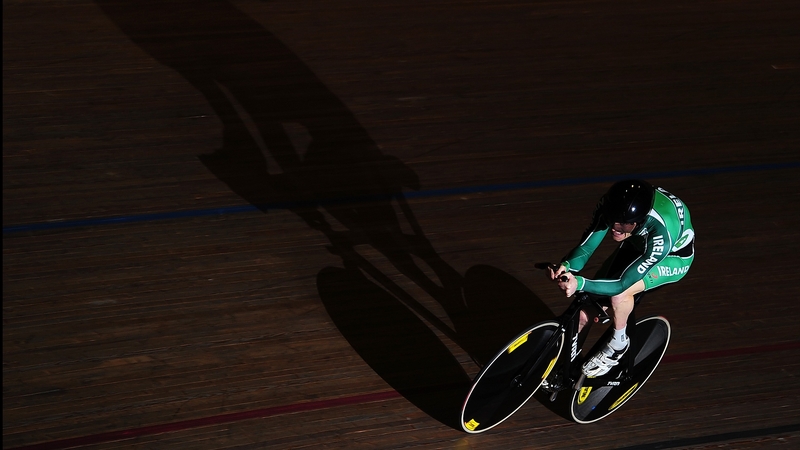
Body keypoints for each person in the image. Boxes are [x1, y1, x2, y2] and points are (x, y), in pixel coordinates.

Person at [548, 179, 695, 377]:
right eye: (613, 221)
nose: (615, 228)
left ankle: (618, 343)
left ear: (639, 221)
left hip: (671, 258)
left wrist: (580, 282)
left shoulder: (661, 233)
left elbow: (621, 284)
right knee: (584, 311)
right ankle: (563, 368)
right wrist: (567, 266)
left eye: (623, 225)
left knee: (620, 295)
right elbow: (586, 247)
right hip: (637, 243)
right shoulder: (612, 207)